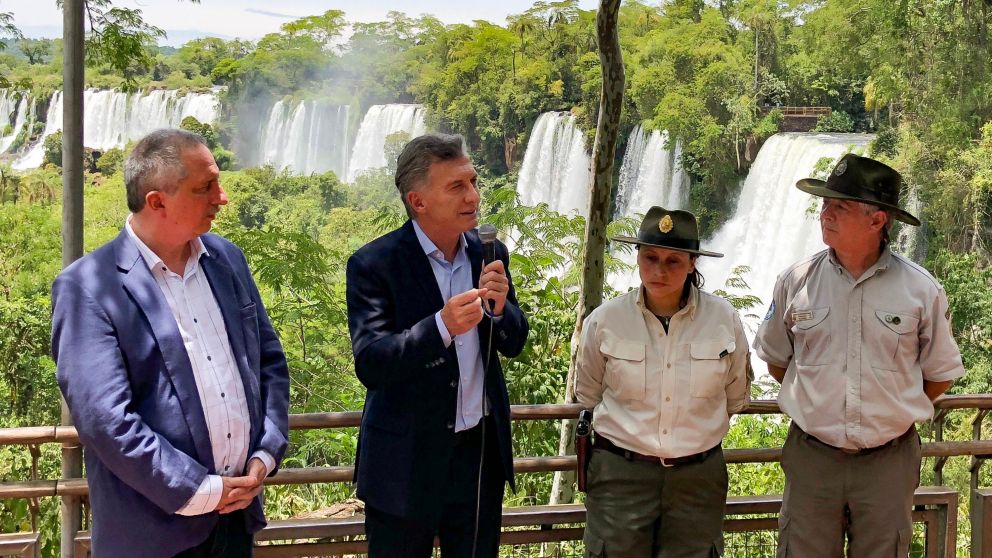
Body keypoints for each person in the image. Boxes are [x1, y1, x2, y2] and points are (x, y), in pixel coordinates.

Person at [51, 129, 290, 558]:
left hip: (236, 519)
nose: (222, 198)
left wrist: (266, 452)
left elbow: (269, 362)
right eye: (205, 188)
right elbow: (106, 421)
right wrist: (199, 490)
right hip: (152, 535)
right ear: (157, 201)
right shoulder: (88, 287)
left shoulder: (227, 259)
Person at [754, 154, 966, 557]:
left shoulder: (922, 291)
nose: (824, 214)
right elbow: (778, 361)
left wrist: (889, 408)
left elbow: (939, 374)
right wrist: (822, 403)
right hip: (813, 458)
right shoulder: (795, 281)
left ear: (877, 220)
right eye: (825, 204)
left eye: (840, 206)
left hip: (887, 462)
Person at [346, 133, 529, 557]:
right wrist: (441, 327)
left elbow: (515, 341)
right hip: (404, 464)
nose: (473, 196)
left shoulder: (490, 251)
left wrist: (501, 310)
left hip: (478, 459)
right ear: (418, 200)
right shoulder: (375, 264)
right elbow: (372, 363)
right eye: (456, 187)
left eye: (473, 182)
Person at [576, 206, 752, 557]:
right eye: (650, 257)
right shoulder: (605, 321)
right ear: (637, 259)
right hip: (620, 477)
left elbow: (736, 395)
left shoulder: (723, 320)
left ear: (692, 264)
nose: (659, 270)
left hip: (697, 479)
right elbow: (589, 392)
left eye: (673, 261)